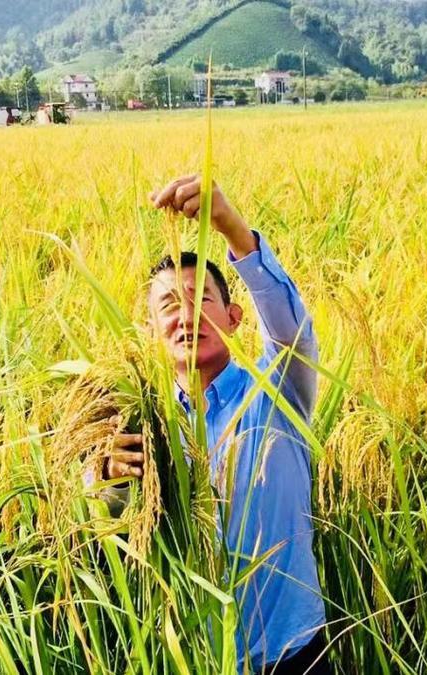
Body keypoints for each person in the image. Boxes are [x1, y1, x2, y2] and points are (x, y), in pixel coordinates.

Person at [99, 174, 331, 674]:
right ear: (151, 332)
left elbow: (292, 330)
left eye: (199, 298)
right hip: (201, 654)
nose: (184, 313)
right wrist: (104, 476)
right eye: (167, 305)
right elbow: (114, 525)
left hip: (295, 651)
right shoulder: (148, 422)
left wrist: (230, 226)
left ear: (233, 316)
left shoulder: (279, 388)